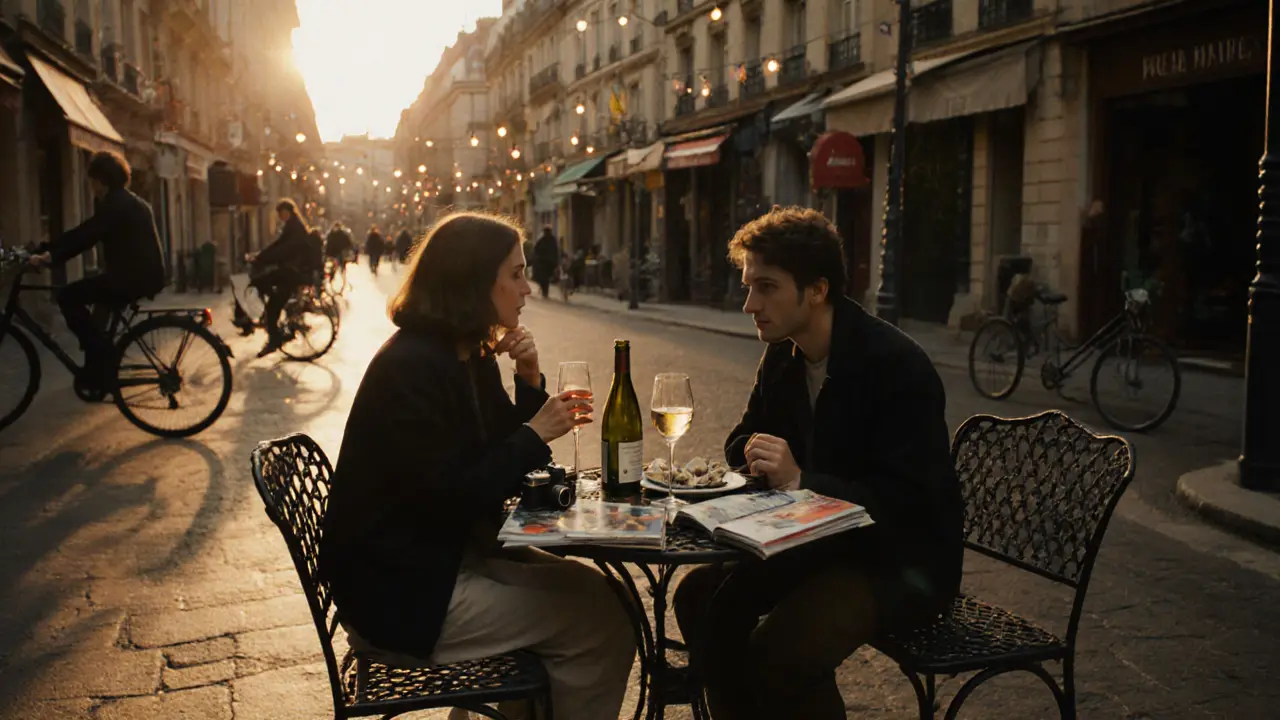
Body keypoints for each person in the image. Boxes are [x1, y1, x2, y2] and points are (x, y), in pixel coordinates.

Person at [319, 212, 635, 720]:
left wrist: (529, 383)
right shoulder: (412, 367)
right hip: (403, 592)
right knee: (598, 623)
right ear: (473, 281)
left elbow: (496, 456)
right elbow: (455, 495)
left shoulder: (463, 353)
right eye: (515, 274)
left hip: (442, 558)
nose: (527, 288)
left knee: (606, 597)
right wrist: (535, 432)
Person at [672, 206, 963, 720]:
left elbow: (909, 501)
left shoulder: (895, 366)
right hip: (814, 541)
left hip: (898, 561)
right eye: (747, 286)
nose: (749, 305)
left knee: (782, 651)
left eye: (766, 287)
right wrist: (754, 455)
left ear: (817, 290)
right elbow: (745, 435)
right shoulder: (784, 354)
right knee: (701, 597)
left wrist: (804, 481)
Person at [27, 151, 166, 389]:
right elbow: (85, 231)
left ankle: (102, 355)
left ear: (101, 180)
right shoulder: (126, 201)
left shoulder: (116, 204)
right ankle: (98, 366)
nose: (90, 186)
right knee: (96, 310)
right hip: (138, 275)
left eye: (92, 181)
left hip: (132, 278)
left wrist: (50, 257)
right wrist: (47, 248)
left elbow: (87, 235)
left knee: (67, 296)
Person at [248, 199, 314, 358]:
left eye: (282, 213)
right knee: (263, 283)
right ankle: (278, 312)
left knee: (271, 307)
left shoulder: (296, 229)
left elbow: (285, 250)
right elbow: (278, 244)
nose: (280, 216)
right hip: (290, 271)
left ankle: (274, 340)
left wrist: (263, 259)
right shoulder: (292, 226)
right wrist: (261, 255)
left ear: (289, 212)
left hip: (293, 273)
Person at [324, 221, 354, 289]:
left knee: (338, 265)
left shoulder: (332, 234)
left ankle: (338, 278)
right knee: (336, 266)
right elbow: (348, 243)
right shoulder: (340, 234)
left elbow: (327, 243)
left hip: (336, 253)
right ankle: (336, 277)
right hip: (335, 253)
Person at [532, 225, 558, 298]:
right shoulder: (550, 240)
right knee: (545, 278)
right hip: (547, 262)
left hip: (545, 262)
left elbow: (536, 250)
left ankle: (545, 292)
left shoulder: (544, 240)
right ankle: (545, 291)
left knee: (544, 278)